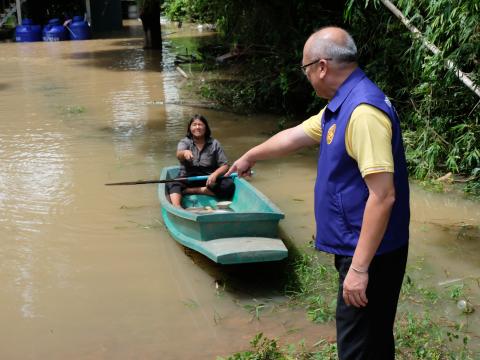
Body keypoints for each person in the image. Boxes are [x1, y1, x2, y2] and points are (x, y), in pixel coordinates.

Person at [226, 27, 410, 360]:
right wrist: (249, 156)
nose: (308, 77)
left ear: (322, 66)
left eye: (306, 69)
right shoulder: (341, 107)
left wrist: (359, 269)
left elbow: (383, 196)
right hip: (363, 247)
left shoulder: (363, 113)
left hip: (369, 253)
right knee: (373, 341)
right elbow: (295, 137)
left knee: (358, 346)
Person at [167, 114, 235, 208]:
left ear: (205, 127)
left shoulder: (214, 143)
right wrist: (184, 153)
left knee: (228, 185)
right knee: (172, 183)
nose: (197, 127)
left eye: (200, 124)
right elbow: (179, 155)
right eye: (194, 125)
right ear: (190, 128)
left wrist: (214, 175)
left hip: (208, 179)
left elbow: (225, 165)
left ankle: (193, 190)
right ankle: (177, 207)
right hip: (188, 178)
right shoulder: (185, 142)